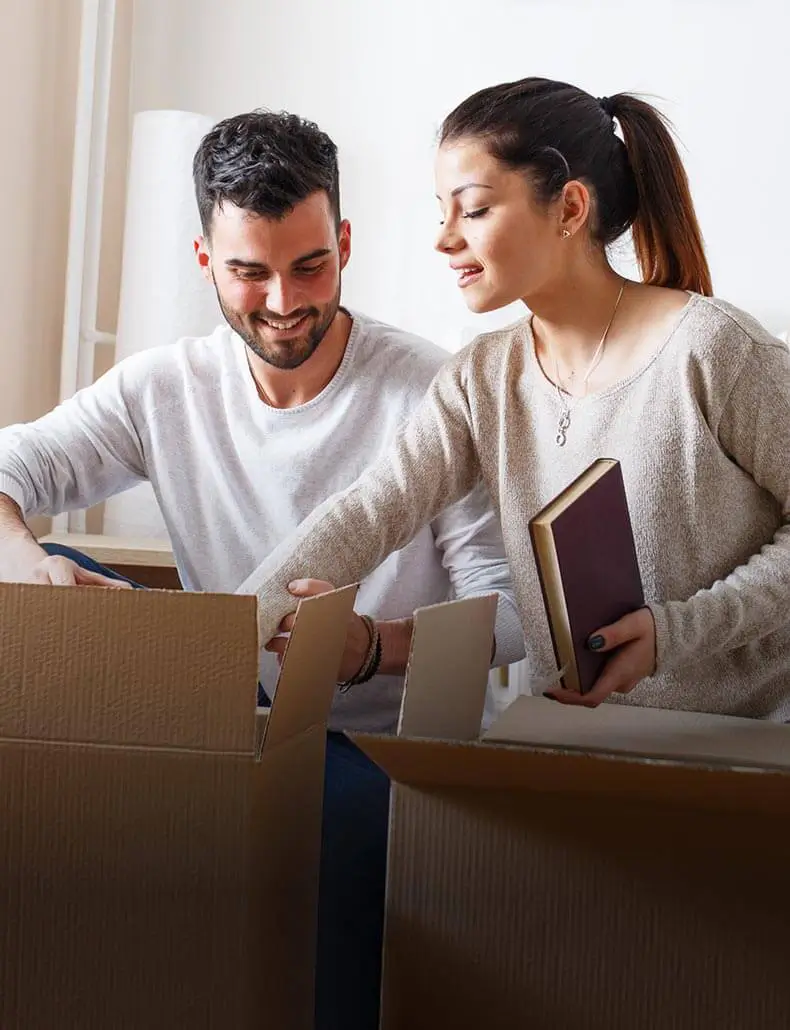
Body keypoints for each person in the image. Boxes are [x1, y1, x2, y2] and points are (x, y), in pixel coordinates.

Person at [0, 110, 523, 1030]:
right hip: (231, 720)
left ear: (345, 243)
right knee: (54, 585)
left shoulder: (433, 392)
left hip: (383, 743)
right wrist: (27, 558)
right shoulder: (162, 388)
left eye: (309, 265)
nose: (283, 302)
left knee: (309, 838)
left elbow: (512, 609)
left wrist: (371, 647)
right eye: (250, 272)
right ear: (206, 259)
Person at [239, 76, 790, 724]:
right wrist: (233, 629)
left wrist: (677, 631)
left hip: (735, 757)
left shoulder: (713, 351)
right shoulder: (483, 377)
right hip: (564, 744)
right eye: (440, 210)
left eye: (472, 210)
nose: (444, 239)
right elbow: (370, 509)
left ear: (569, 208)